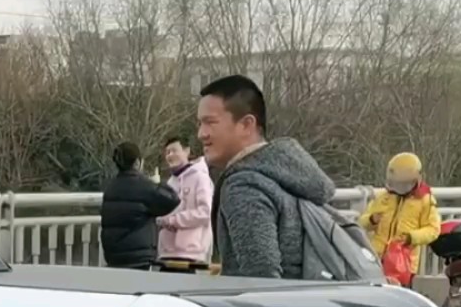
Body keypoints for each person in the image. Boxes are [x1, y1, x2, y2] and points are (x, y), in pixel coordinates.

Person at [197, 74, 336, 280]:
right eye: (199, 124)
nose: (201, 133)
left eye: (210, 123)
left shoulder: (244, 186)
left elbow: (260, 280)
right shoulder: (289, 176)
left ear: (246, 124)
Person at [361, 151, 441, 283]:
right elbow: (362, 221)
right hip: (377, 258)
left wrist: (411, 237)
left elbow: (433, 230)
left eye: (404, 184)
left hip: (404, 262)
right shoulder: (384, 198)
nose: (399, 188)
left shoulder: (424, 200)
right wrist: (371, 220)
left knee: (399, 297)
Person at [98, 141, 178, 270]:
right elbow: (172, 200)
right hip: (138, 257)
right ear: (137, 162)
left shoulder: (110, 187)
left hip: (114, 256)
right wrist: (158, 183)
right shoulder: (144, 185)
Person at [155, 136, 214, 265]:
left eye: (174, 150)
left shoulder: (200, 177)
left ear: (186, 151)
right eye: (167, 152)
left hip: (192, 254)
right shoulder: (170, 182)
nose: (170, 155)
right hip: (166, 253)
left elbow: (205, 212)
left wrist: (173, 220)